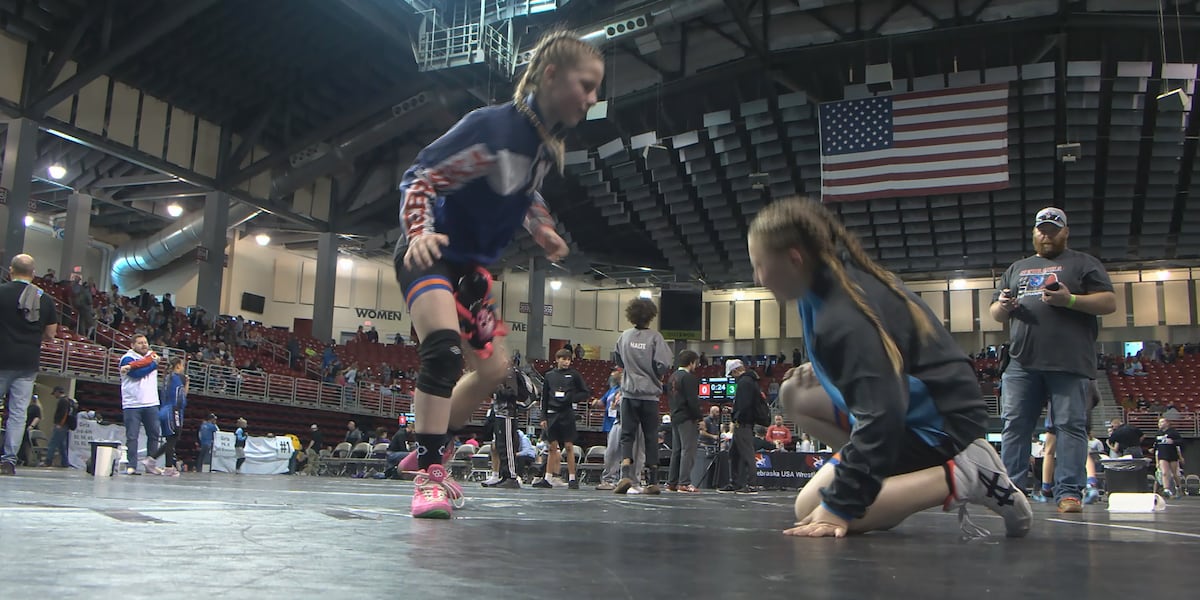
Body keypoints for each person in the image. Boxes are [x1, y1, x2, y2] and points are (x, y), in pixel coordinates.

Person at [392, 29, 600, 519]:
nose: (593, 99)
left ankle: (432, 445)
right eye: (585, 85)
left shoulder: (543, 148)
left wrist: (543, 229)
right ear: (551, 76)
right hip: (430, 253)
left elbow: (523, 194)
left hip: (471, 271)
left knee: (493, 370)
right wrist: (420, 231)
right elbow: (419, 178)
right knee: (442, 351)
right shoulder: (491, 128)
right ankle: (429, 475)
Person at [749, 198, 1030, 539]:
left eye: (760, 265)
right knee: (795, 394)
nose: (757, 277)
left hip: (941, 423)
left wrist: (840, 506)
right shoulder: (827, 276)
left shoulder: (842, 318)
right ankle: (883, 472)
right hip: (906, 407)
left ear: (794, 259)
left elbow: (882, 416)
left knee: (814, 510)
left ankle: (967, 474)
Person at [990, 207, 1116, 513]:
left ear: (1065, 232)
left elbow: (1109, 302)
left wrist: (1069, 299)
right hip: (1022, 361)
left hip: (1069, 362)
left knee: (1070, 426)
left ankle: (1068, 492)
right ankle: (1012, 492)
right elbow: (995, 314)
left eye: (1053, 229)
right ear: (1034, 233)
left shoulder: (1084, 263)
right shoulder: (1018, 267)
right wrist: (1004, 306)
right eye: (1041, 230)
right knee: (1014, 425)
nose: (1046, 235)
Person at [0, 254, 58, 475]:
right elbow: (51, 334)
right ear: (33, 274)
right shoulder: (44, 299)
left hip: (2, 358)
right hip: (27, 363)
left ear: (11, 271)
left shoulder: (2, 291)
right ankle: (8, 461)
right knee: (17, 413)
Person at [613, 298, 673, 495]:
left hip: (629, 394)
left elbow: (618, 359)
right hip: (649, 396)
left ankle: (625, 475)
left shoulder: (624, 337)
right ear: (651, 316)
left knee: (627, 436)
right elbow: (662, 365)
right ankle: (653, 480)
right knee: (650, 437)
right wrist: (655, 374)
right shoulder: (655, 338)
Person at [536, 348, 590, 489]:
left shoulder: (574, 375)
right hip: (552, 414)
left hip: (567, 413)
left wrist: (572, 398)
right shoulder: (549, 375)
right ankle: (547, 479)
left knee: (569, 446)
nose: (566, 362)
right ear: (557, 359)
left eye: (568, 360)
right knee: (552, 447)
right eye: (563, 359)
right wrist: (543, 417)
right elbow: (545, 397)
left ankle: (572, 479)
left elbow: (585, 392)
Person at [483, 366, 538, 489]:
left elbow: (512, 392)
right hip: (499, 414)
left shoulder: (509, 373)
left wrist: (498, 389)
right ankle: (505, 475)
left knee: (507, 446)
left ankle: (511, 477)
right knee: (501, 446)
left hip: (508, 415)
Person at [119, 335, 163, 475]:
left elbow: (151, 360)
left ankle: (150, 464)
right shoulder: (127, 358)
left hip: (151, 402)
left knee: (154, 435)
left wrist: (151, 361)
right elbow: (137, 374)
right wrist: (153, 364)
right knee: (132, 436)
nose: (144, 345)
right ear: (132, 345)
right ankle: (131, 465)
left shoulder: (152, 355)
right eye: (140, 343)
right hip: (132, 403)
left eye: (145, 342)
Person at [721, 359, 762, 494]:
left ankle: (752, 485)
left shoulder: (745, 383)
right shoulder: (750, 381)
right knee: (734, 453)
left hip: (743, 423)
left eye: (732, 374)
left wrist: (736, 415)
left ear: (735, 371)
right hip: (744, 422)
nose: (732, 377)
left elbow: (744, 405)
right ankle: (736, 482)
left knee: (747, 453)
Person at [666, 350, 701, 493]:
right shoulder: (689, 378)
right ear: (691, 362)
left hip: (675, 415)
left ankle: (672, 482)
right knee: (688, 450)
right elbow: (692, 401)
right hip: (687, 417)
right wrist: (699, 417)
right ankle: (684, 483)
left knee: (677, 450)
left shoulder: (672, 377)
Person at [146, 357, 187, 477]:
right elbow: (182, 395)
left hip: (165, 409)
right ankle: (167, 466)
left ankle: (153, 460)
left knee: (170, 440)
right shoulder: (179, 377)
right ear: (178, 366)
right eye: (182, 365)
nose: (183, 368)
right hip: (173, 410)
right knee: (173, 438)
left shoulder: (167, 377)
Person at [41, 386, 76, 468]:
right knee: (61, 445)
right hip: (65, 425)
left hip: (61, 425)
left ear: (57, 392)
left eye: (54, 393)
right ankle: (65, 463)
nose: (54, 396)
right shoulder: (69, 401)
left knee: (52, 443)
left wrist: (59, 424)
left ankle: (48, 462)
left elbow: (64, 414)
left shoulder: (63, 401)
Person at [1155, 417, 1185, 498]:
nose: (1160, 424)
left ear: (1167, 423)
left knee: (1174, 474)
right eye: (1159, 423)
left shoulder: (1173, 432)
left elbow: (1181, 442)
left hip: (1172, 454)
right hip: (1162, 455)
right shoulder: (1158, 433)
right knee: (1164, 473)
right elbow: (1156, 446)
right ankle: (1166, 489)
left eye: (1162, 422)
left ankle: (1178, 487)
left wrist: (1173, 442)